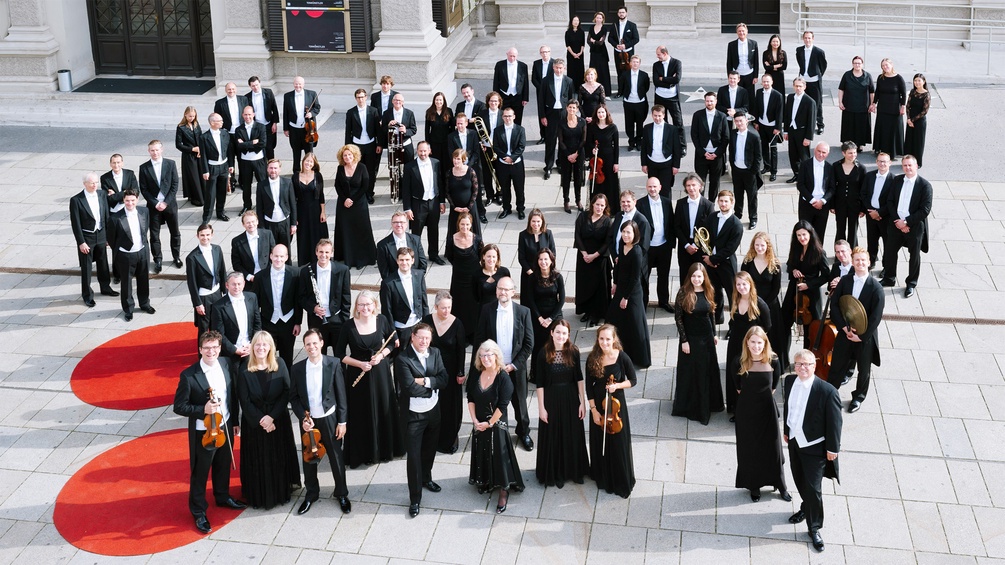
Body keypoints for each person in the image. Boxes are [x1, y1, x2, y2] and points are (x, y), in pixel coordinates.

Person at [173, 330, 246, 534]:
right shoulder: (188, 376)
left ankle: (222, 496)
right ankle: (198, 511)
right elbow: (179, 407)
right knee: (201, 472)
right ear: (200, 350)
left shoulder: (226, 364)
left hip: (226, 424)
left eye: (215, 347)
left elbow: (232, 394)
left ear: (220, 348)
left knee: (222, 464)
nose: (211, 351)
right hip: (203, 432)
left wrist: (234, 420)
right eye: (207, 348)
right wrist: (202, 409)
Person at [783, 349, 843, 553]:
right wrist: (786, 430)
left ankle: (814, 527)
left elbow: (835, 424)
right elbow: (790, 409)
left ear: (814, 366)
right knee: (799, 479)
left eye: (806, 364)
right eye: (798, 364)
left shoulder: (827, 391)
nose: (802, 368)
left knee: (814, 488)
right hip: (794, 441)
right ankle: (805, 507)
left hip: (815, 447)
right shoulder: (790, 382)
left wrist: (832, 448)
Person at [335, 290, 403, 469]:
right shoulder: (348, 326)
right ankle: (363, 452)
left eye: (368, 304)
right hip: (358, 374)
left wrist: (381, 357)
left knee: (383, 406)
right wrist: (359, 364)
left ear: (374, 305)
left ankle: (384, 450)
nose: (365, 307)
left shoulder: (382, 320)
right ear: (356, 307)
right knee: (360, 412)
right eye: (361, 304)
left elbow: (390, 343)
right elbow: (339, 354)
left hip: (380, 372)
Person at [289, 329, 352, 515]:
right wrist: (302, 417)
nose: (311, 347)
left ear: (322, 343)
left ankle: (341, 493)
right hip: (309, 421)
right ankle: (311, 494)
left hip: (330, 418)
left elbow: (342, 395)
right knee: (309, 458)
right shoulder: (297, 368)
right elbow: (293, 398)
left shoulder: (333, 364)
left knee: (336, 457)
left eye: (315, 343)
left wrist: (342, 422)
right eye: (308, 344)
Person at [236, 330, 301, 510]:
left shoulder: (280, 364)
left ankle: (280, 491)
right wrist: (261, 420)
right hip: (255, 425)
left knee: (278, 458)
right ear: (252, 347)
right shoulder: (244, 370)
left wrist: (271, 417)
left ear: (271, 347)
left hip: (277, 421)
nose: (261, 348)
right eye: (257, 344)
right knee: (258, 461)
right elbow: (244, 400)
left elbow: (286, 392)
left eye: (265, 344)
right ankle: (259, 495)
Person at [473, 276, 535, 451]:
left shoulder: (524, 312)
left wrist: (513, 365)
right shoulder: (487, 310)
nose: (502, 292)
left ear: (513, 292)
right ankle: (500, 434)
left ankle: (524, 432)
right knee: (497, 403)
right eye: (500, 288)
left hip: (515, 367)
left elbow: (529, 344)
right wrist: (486, 365)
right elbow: (479, 338)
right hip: (494, 368)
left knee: (520, 402)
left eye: (506, 289)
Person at [395, 322, 447, 517]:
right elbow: (409, 388)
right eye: (421, 338)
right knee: (414, 458)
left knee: (430, 449)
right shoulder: (403, 359)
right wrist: (432, 386)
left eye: (427, 338)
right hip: (414, 416)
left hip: (434, 411)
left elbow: (444, 378)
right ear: (413, 338)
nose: (424, 341)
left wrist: (425, 381)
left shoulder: (435, 353)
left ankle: (426, 478)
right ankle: (415, 498)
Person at [467, 340, 525, 512]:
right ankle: (486, 480)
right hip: (479, 422)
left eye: (489, 354)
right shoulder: (477, 373)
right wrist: (475, 421)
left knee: (499, 453)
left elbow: (502, 406)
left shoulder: (504, 378)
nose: (486, 358)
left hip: (496, 422)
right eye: (482, 355)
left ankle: (504, 489)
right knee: (482, 449)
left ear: (496, 356)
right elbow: (470, 398)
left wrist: (489, 423)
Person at [733, 326, 789, 502]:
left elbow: (774, 387)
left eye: (760, 342)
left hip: (767, 411)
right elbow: (738, 388)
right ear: (747, 343)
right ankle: (754, 485)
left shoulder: (773, 360)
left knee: (774, 449)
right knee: (750, 448)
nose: (756, 346)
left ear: (765, 343)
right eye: (753, 342)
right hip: (747, 412)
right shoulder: (739, 361)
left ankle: (781, 485)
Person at [829, 246, 885, 413]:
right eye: (857, 260)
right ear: (852, 262)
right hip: (845, 332)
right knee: (837, 365)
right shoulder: (845, 280)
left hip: (864, 337)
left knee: (864, 370)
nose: (860, 263)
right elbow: (835, 305)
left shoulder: (876, 288)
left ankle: (858, 397)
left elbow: (876, 317)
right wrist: (843, 328)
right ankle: (830, 394)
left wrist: (862, 337)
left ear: (868, 262)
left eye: (863, 260)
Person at [535, 320, 589, 488]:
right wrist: (541, 408)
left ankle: (574, 471)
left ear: (568, 335)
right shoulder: (543, 353)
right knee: (555, 435)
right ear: (552, 333)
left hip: (571, 399)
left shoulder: (573, 351)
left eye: (564, 333)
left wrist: (583, 402)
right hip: (551, 399)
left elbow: (579, 377)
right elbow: (540, 384)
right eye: (558, 332)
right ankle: (557, 473)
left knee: (572, 434)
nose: (561, 336)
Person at [585, 324, 636, 498]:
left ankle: (620, 479)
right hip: (599, 405)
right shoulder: (593, 357)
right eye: (601, 339)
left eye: (608, 339)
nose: (604, 342)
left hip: (616, 406)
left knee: (618, 443)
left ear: (614, 339)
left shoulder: (622, 357)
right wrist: (593, 411)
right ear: (597, 339)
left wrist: (618, 385)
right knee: (601, 443)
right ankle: (604, 477)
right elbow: (589, 387)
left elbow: (633, 380)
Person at [672, 263, 724, 425]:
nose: (696, 279)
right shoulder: (683, 292)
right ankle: (693, 406)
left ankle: (709, 403)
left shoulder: (709, 291)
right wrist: (684, 341)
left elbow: (711, 314)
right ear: (690, 277)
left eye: (699, 276)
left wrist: (714, 334)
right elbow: (678, 318)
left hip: (707, 337)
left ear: (704, 277)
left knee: (707, 371)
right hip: (691, 339)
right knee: (692, 372)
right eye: (694, 276)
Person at [777, 221, 828, 368]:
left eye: (804, 235)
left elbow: (826, 275)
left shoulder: (819, 252)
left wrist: (809, 284)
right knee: (784, 322)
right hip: (794, 290)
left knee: (809, 329)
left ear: (810, 234)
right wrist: (793, 270)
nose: (801, 238)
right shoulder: (795, 248)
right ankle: (783, 360)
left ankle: (806, 361)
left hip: (811, 294)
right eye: (798, 235)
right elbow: (790, 264)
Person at [422, 291, 467, 454]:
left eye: (449, 307)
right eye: (443, 308)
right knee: (432, 404)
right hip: (431, 369)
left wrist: (461, 372)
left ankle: (449, 437)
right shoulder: (427, 321)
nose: (446, 311)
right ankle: (431, 437)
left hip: (450, 369)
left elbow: (461, 350)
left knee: (450, 406)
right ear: (435, 307)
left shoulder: (457, 324)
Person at [881, 155, 932, 298]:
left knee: (914, 256)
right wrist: (898, 221)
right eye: (905, 165)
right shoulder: (897, 180)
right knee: (890, 251)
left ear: (916, 166)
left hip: (914, 226)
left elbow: (925, 210)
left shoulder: (925, 185)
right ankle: (889, 278)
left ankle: (911, 283)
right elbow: (890, 201)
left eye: (910, 165)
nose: (907, 168)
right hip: (896, 223)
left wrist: (907, 222)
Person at [725, 271, 772, 416]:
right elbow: (733, 322)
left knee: (746, 376)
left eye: (744, 284)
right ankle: (734, 407)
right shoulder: (735, 299)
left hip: (750, 346)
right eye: (738, 284)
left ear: (750, 284)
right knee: (733, 373)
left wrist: (756, 344)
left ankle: (744, 410)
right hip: (735, 342)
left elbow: (768, 326)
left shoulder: (759, 304)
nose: (741, 287)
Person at [608, 221, 652, 368]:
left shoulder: (637, 251)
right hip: (621, 287)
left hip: (632, 292)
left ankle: (639, 358)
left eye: (629, 232)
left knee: (634, 323)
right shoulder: (622, 245)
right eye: (623, 232)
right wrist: (615, 283)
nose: (625, 235)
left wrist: (625, 297)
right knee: (615, 319)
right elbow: (618, 266)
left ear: (635, 234)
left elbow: (635, 277)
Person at [70, 172, 117, 308]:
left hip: (101, 234)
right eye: (91, 183)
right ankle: (87, 295)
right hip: (87, 237)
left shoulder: (102, 194)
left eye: (96, 182)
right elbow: (76, 223)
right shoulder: (76, 200)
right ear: (85, 184)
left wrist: (108, 235)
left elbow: (106, 214)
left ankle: (105, 287)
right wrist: (81, 242)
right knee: (86, 267)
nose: (94, 185)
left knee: (103, 263)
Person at [300, 238, 352, 358]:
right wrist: (313, 308)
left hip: (337, 319)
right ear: (316, 252)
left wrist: (344, 319)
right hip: (316, 320)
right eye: (321, 252)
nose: (324, 255)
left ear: (332, 253)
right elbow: (301, 297)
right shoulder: (306, 271)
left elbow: (346, 296)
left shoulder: (343, 270)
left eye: (327, 252)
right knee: (318, 355)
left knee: (340, 356)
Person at [108, 189, 154, 322]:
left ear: (137, 200)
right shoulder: (115, 218)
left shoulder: (144, 212)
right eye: (127, 200)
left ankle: (145, 304)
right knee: (126, 284)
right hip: (126, 255)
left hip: (142, 252)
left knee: (143, 280)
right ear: (123, 200)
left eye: (132, 200)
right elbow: (111, 239)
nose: (130, 203)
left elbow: (145, 230)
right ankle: (128, 309)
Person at [253, 244, 301, 371]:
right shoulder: (260, 277)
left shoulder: (295, 274)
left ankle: (288, 385)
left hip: (288, 322)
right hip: (268, 321)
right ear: (270, 256)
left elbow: (298, 300)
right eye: (275, 256)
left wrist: (298, 322)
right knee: (267, 357)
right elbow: (255, 304)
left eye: (281, 256)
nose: (278, 259)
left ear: (286, 257)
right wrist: (257, 326)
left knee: (287, 357)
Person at [138, 139, 181, 273]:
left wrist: (165, 202)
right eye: (152, 150)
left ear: (161, 150)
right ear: (148, 151)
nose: (155, 153)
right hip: (154, 206)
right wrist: (156, 203)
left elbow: (174, 185)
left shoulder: (171, 164)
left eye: (157, 150)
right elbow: (144, 189)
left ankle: (176, 256)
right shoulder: (144, 167)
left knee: (175, 232)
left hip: (169, 204)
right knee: (154, 235)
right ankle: (158, 259)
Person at [700, 190, 743, 323]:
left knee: (732, 296)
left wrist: (712, 259)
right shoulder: (712, 217)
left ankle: (733, 324)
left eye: (726, 201)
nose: (723, 204)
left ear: (732, 202)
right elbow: (704, 236)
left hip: (726, 265)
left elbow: (730, 249)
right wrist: (708, 256)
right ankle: (717, 318)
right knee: (714, 292)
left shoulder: (737, 224)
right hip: (711, 262)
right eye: (721, 201)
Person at [333, 144, 376, 269]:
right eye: (345, 155)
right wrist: (344, 199)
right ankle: (348, 257)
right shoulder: (340, 168)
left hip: (359, 203)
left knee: (361, 229)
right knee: (345, 230)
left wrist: (352, 199)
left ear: (354, 155)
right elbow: (337, 185)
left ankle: (362, 257)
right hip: (343, 203)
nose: (347, 157)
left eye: (349, 155)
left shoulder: (362, 167)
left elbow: (365, 186)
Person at [402, 141, 445, 265]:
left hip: (433, 202)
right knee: (416, 233)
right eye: (420, 151)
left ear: (429, 151)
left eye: (425, 151)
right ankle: (415, 258)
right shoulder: (410, 166)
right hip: (417, 204)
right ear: (417, 151)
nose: (423, 153)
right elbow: (406, 189)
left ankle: (434, 254)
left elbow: (439, 183)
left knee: (434, 230)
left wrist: (442, 201)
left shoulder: (436, 163)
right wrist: (407, 209)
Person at [211, 272, 262, 374]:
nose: (236, 287)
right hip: (231, 352)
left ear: (244, 284)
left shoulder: (252, 298)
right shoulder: (218, 307)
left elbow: (257, 323)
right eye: (233, 284)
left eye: (239, 284)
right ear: (227, 285)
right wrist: (235, 350)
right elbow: (219, 334)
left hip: (250, 348)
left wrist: (252, 343)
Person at [574, 193, 613, 327]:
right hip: (583, 257)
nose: (599, 207)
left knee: (599, 286)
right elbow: (577, 235)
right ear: (592, 204)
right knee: (585, 284)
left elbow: (607, 242)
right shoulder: (583, 216)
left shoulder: (607, 221)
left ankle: (596, 314)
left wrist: (594, 255)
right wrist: (584, 253)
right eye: (597, 204)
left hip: (599, 258)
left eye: (602, 205)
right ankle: (587, 311)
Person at [636, 176, 674, 312]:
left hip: (664, 246)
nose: (652, 189)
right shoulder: (640, 204)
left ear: (660, 188)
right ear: (646, 188)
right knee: (644, 278)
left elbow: (671, 223)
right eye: (650, 187)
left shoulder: (667, 202)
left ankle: (663, 301)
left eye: (655, 186)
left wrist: (671, 244)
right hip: (648, 247)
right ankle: (643, 303)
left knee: (663, 276)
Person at [741, 232, 783, 353]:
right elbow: (743, 282)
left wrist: (763, 305)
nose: (759, 248)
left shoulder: (774, 264)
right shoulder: (748, 261)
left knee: (770, 334)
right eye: (757, 245)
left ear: (767, 246)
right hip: (751, 303)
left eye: (762, 245)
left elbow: (776, 288)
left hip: (770, 305)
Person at [525, 248, 566, 367]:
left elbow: (562, 299)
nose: (543, 262)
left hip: (554, 314)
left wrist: (550, 319)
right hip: (538, 314)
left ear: (551, 261)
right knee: (538, 344)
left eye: (546, 259)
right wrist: (539, 318)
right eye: (540, 259)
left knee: (555, 343)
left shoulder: (558, 277)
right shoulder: (533, 277)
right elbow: (530, 299)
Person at [186, 223, 226, 342]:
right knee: (204, 328)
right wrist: (197, 303)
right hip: (204, 297)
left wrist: (225, 292)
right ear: (197, 236)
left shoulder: (217, 249)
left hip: (217, 293)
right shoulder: (192, 257)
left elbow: (222, 271)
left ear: (212, 235)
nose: (205, 237)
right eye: (202, 235)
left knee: (218, 324)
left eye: (208, 235)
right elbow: (191, 283)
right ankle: (201, 356)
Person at [444, 213, 481, 343]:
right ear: (458, 224)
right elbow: (449, 255)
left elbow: (481, 255)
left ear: (471, 225)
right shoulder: (452, 239)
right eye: (462, 224)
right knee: (459, 305)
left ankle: (473, 334)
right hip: (459, 278)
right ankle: (461, 334)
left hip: (473, 277)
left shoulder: (476, 239)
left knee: (473, 305)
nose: (464, 227)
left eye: (467, 224)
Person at [381, 247, 429, 344]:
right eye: (401, 260)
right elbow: (387, 311)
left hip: (418, 323)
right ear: (397, 261)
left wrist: (426, 326)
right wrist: (393, 335)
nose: (404, 263)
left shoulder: (419, 275)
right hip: (401, 328)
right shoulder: (388, 283)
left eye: (407, 260)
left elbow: (424, 302)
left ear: (412, 260)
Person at [446, 114, 487, 225]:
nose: (459, 126)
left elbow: (476, 151)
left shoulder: (473, 134)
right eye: (457, 123)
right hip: (458, 168)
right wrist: (459, 164)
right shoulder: (451, 136)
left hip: (472, 167)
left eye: (461, 123)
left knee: (476, 192)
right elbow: (451, 153)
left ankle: (481, 213)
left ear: (466, 123)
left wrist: (469, 165)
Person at [674, 173, 715, 279]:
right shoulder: (680, 203)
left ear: (700, 186)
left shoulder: (708, 205)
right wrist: (687, 245)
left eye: (693, 185)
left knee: (700, 278)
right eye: (688, 185)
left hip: (701, 249)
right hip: (685, 248)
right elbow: (676, 226)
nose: (691, 188)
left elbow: (710, 229)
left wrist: (696, 246)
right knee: (684, 277)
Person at [539, 59, 575, 180]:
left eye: (561, 68)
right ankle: (548, 166)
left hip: (563, 113)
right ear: (553, 68)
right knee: (550, 141)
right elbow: (541, 100)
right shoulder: (546, 80)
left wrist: (571, 115)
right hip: (550, 114)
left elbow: (571, 100)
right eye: (557, 68)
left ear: (564, 68)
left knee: (563, 140)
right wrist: (542, 116)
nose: (559, 70)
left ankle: (560, 164)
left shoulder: (569, 81)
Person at [346, 88, 382, 204]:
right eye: (358, 97)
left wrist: (379, 144)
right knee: (357, 171)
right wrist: (347, 148)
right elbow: (348, 131)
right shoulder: (351, 112)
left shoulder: (373, 111)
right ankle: (359, 194)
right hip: (357, 146)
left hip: (371, 144)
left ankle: (369, 193)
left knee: (370, 171)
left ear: (366, 97)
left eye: (362, 97)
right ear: (356, 98)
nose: (360, 99)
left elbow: (378, 129)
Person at [690, 91, 729, 198]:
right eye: (707, 101)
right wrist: (703, 152)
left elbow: (726, 137)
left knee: (715, 182)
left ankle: (711, 204)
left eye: (711, 101)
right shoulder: (697, 115)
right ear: (704, 102)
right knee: (700, 182)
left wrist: (717, 153)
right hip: (701, 155)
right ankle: (701, 202)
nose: (709, 103)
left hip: (717, 156)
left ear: (716, 102)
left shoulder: (722, 116)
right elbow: (694, 135)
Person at [292, 153, 328, 266]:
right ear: (303, 162)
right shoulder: (295, 176)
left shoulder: (318, 176)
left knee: (316, 235)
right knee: (303, 236)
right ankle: (304, 261)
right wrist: (294, 217)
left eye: (311, 162)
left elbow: (321, 195)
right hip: (301, 210)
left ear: (314, 164)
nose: (308, 163)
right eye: (306, 161)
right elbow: (292, 198)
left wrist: (323, 212)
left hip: (315, 210)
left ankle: (317, 259)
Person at [198, 113, 234, 224]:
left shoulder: (225, 133)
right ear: (212, 123)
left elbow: (229, 150)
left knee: (222, 191)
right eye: (220, 121)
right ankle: (207, 216)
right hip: (212, 167)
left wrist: (231, 165)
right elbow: (203, 155)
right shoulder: (204, 137)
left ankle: (220, 212)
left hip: (223, 166)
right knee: (210, 193)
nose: (222, 122)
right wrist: (205, 171)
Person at [256, 159, 297, 255]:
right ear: (267, 169)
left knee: (286, 250)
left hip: (284, 222)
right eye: (271, 168)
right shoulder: (261, 185)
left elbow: (293, 204)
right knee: (271, 250)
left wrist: (293, 223)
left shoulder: (287, 183)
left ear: (279, 169)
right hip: (269, 222)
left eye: (275, 168)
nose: (273, 170)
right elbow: (259, 207)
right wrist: (261, 227)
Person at [729, 113, 763, 228]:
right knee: (738, 194)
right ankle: (737, 214)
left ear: (746, 121)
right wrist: (733, 165)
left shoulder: (754, 136)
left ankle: (753, 218)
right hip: (737, 170)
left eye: (741, 121)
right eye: (736, 121)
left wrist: (753, 171)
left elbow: (758, 156)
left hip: (749, 171)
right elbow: (732, 150)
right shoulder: (733, 134)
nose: (739, 123)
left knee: (752, 196)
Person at [861, 152, 894, 269]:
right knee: (872, 240)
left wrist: (879, 213)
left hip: (886, 217)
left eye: (885, 161)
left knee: (887, 243)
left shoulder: (894, 180)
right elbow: (863, 194)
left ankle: (886, 267)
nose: (882, 164)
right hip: (871, 215)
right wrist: (870, 211)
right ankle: (871, 261)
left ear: (890, 163)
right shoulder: (869, 176)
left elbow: (893, 201)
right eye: (880, 161)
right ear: (876, 162)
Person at [831, 141, 867, 246]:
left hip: (855, 204)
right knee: (840, 229)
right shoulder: (836, 166)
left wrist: (862, 208)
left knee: (853, 230)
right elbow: (833, 186)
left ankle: (852, 252)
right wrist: (832, 205)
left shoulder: (861, 168)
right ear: (844, 153)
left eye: (854, 153)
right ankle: (839, 252)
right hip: (840, 203)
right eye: (850, 153)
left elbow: (864, 190)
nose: (853, 155)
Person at [494, 107, 527, 220]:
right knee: (505, 188)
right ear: (502, 117)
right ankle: (506, 208)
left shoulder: (520, 130)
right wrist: (505, 157)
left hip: (516, 164)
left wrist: (512, 158)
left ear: (514, 116)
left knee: (519, 188)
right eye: (505, 116)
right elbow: (496, 147)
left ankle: (521, 209)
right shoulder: (497, 130)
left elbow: (521, 147)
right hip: (503, 164)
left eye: (509, 116)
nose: (507, 118)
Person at [640, 104, 682, 194]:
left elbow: (676, 148)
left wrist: (676, 165)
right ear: (652, 115)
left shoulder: (672, 129)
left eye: (659, 116)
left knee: (665, 189)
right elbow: (644, 147)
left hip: (666, 164)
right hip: (652, 163)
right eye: (655, 115)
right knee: (653, 189)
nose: (657, 118)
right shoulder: (647, 128)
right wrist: (644, 164)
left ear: (664, 115)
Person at [796, 142, 834, 241]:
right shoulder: (805, 165)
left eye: (823, 152)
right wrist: (812, 200)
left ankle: (818, 255)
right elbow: (800, 185)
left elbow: (832, 188)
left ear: (827, 154)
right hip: (806, 204)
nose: (821, 154)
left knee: (819, 234)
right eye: (819, 151)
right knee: (804, 234)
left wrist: (823, 201)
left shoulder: (830, 168)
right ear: (814, 150)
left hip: (822, 206)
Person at [234, 105, 268, 214]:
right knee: (246, 185)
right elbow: (238, 146)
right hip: (245, 161)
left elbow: (262, 144)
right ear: (242, 115)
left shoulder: (261, 127)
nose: (247, 117)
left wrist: (244, 144)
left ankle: (264, 205)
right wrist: (252, 143)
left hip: (259, 160)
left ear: (253, 114)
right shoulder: (238, 129)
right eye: (245, 114)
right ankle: (247, 206)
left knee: (262, 183)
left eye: (249, 114)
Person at [282, 76, 319, 174]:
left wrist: (311, 114)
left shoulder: (312, 94)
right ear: (293, 84)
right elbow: (285, 112)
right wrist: (286, 128)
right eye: (296, 84)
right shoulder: (287, 96)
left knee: (309, 152)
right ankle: (296, 171)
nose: (298, 85)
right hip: (294, 128)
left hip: (308, 129)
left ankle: (310, 170)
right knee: (296, 151)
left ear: (303, 84)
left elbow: (317, 108)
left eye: (300, 84)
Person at [871, 58, 907, 160]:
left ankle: (894, 151)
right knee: (883, 128)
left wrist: (903, 106)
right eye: (883, 66)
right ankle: (881, 149)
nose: (885, 67)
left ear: (891, 65)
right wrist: (874, 103)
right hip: (883, 108)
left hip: (895, 108)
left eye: (886, 65)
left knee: (893, 129)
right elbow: (877, 92)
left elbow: (903, 94)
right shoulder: (880, 77)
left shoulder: (899, 78)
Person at [517, 209, 557, 299]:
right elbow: (521, 258)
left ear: (542, 222)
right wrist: (531, 274)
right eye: (533, 221)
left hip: (545, 272)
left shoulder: (548, 233)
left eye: (538, 221)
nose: (536, 224)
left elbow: (553, 254)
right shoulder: (523, 235)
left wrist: (546, 269)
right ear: (529, 222)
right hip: (529, 274)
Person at [585, 105, 620, 205]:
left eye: (603, 112)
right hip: (597, 158)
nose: (601, 114)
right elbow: (589, 142)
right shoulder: (592, 126)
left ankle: (611, 207)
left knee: (610, 183)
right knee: (597, 183)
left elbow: (616, 146)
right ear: (596, 114)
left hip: (609, 158)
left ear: (606, 113)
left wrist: (616, 163)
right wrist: (592, 149)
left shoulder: (613, 127)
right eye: (599, 112)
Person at [838, 56, 875, 151]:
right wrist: (840, 101)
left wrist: (872, 104)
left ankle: (859, 144)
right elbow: (841, 89)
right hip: (849, 105)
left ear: (862, 64)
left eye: (859, 63)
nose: (857, 65)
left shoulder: (867, 76)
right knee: (848, 126)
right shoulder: (847, 75)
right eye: (855, 63)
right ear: (852, 64)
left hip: (863, 107)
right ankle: (847, 144)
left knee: (861, 126)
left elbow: (871, 92)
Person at [376, 211, 428, 280]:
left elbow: (423, 263)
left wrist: (417, 279)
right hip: (394, 283)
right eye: (396, 222)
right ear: (391, 224)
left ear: (406, 224)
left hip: (415, 280)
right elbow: (384, 271)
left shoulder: (416, 240)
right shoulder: (382, 245)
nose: (399, 225)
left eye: (402, 222)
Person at [783, 78, 817, 184]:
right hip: (792, 130)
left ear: (804, 87)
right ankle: (796, 175)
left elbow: (811, 121)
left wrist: (808, 137)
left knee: (804, 157)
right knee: (793, 155)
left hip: (803, 133)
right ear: (793, 86)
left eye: (800, 86)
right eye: (796, 86)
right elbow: (787, 115)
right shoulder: (790, 98)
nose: (798, 88)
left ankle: (806, 178)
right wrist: (786, 131)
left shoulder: (810, 101)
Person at [445, 149, 482, 243]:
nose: (455, 161)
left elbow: (475, 190)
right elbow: (447, 191)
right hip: (456, 209)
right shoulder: (449, 172)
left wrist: (469, 207)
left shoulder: (470, 171)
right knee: (454, 230)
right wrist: (454, 207)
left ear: (463, 160)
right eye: (454, 158)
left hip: (470, 208)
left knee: (472, 230)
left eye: (458, 159)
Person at [557, 99, 586, 211]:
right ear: (567, 108)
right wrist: (568, 154)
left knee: (578, 177)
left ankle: (578, 200)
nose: (572, 109)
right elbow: (560, 140)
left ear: (577, 109)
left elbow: (583, 140)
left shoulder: (582, 122)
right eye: (570, 107)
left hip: (578, 153)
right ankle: (566, 200)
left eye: (574, 108)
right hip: (565, 153)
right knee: (566, 177)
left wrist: (576, 154)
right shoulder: (561, 122)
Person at [752, 74, 783, 183]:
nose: (765, 83)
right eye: (764, 81)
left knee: (773, 149)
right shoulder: (759, 92)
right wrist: (755, 122)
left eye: (767, 82)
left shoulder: (777, 95)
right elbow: (756, 107)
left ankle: (774, 172)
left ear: (772, 82)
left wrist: (778, 128)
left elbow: (780, 113)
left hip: (773, 126)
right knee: (764, 147)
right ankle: (767, 166)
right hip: (762, 124)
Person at [796, 31, 827, 133]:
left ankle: (820, 124)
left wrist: (816, 74)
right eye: (805, 38)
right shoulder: (799, 50)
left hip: (814, 80)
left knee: (817, 103)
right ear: (803, 39)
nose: (807, 40)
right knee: (803, 101)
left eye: (809, 38)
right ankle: (805, 123)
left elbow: (823, 66)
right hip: (803, 80)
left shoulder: (819, 51)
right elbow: (800, 62)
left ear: (813, 39)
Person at [652, 46, 682, 150]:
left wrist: (663, 79)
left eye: (659, 55)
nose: (657, 57)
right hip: (660, 97)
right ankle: (665, 143)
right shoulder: (656, 65)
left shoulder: (677, 63)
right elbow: (656, 81)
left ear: (665, 54)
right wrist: (670, 82)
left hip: (672, 98)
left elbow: (677, 79)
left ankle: (681, 146)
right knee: (662, 121)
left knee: (678, 122)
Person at [609, 189, 651, 264]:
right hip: (617, 261)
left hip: (632, 264)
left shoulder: (642, 221)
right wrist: (615, 256)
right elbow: (611, 237)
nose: (625, 204)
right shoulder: (619, 216)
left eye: (628, 201)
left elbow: (644, 246)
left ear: (635, 202)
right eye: (623, 202)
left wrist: (627, 260)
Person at [619, 55, 650, 152]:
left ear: (639, 64)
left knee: (640, 123)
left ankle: (639, 141)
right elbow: (622, 87)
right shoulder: (625, 75)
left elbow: (646, 87)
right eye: (633, 62)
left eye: (637, 62)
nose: (635, 64)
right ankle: (631, 141)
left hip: (640, 102)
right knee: (629, 123)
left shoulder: (644, 75)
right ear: (630, 63)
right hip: (629, 102)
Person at [175, 106, 204, 207]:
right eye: (190, 116)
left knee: (201, 175)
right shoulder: (181, 127)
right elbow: (178, 144)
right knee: (193, 177)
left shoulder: (196, 124)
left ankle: (201, 195)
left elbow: (201, 137)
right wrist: (192, 149)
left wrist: (201, 149)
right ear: (185, 115)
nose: (191, 118)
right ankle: (197, 197)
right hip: (189, 155)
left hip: (199, 154)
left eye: (193, 116)